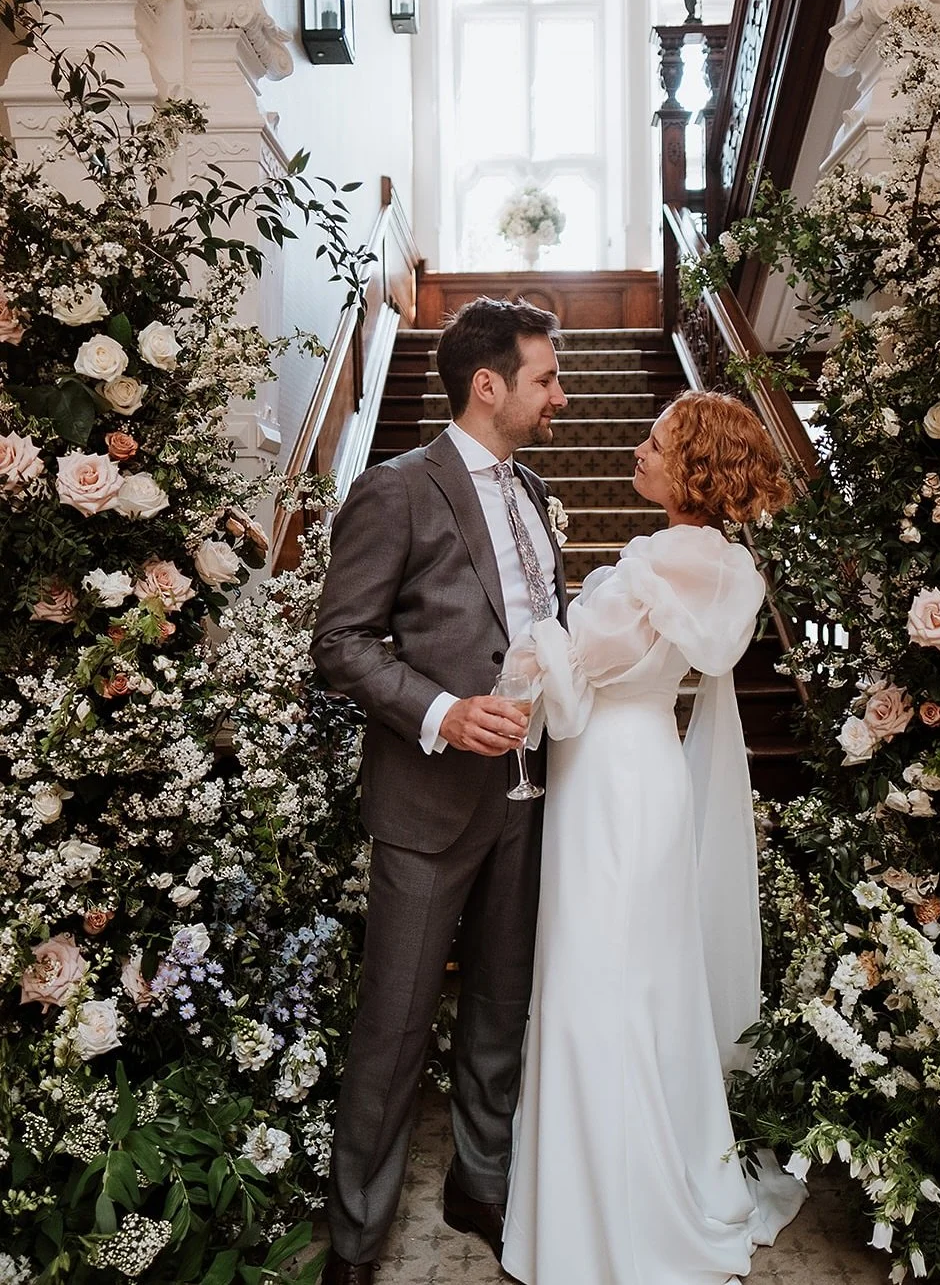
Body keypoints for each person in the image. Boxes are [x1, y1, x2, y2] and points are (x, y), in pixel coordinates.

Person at [500, 390, 807, 1285]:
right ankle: (628, 1183)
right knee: (637, 979)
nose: (637, 451)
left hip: (610, 785)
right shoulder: (713, 562)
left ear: (694, 468)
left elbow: (568, 672)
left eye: (654, 442)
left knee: (596, 982)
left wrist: (524, 646)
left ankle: (603, 1223)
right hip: (644, 774)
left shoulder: (658, 562)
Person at [310, 297, 569, 1285]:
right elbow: (340, 645)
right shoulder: (396, 489)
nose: (558, 394)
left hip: (529, 791)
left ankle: (481, 1182)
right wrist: (442, 714)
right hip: (426, 803)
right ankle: (356, 1235)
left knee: (502, 1004)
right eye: (544, 377)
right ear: (487, 383)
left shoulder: (536, 490)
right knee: (394, 1024)